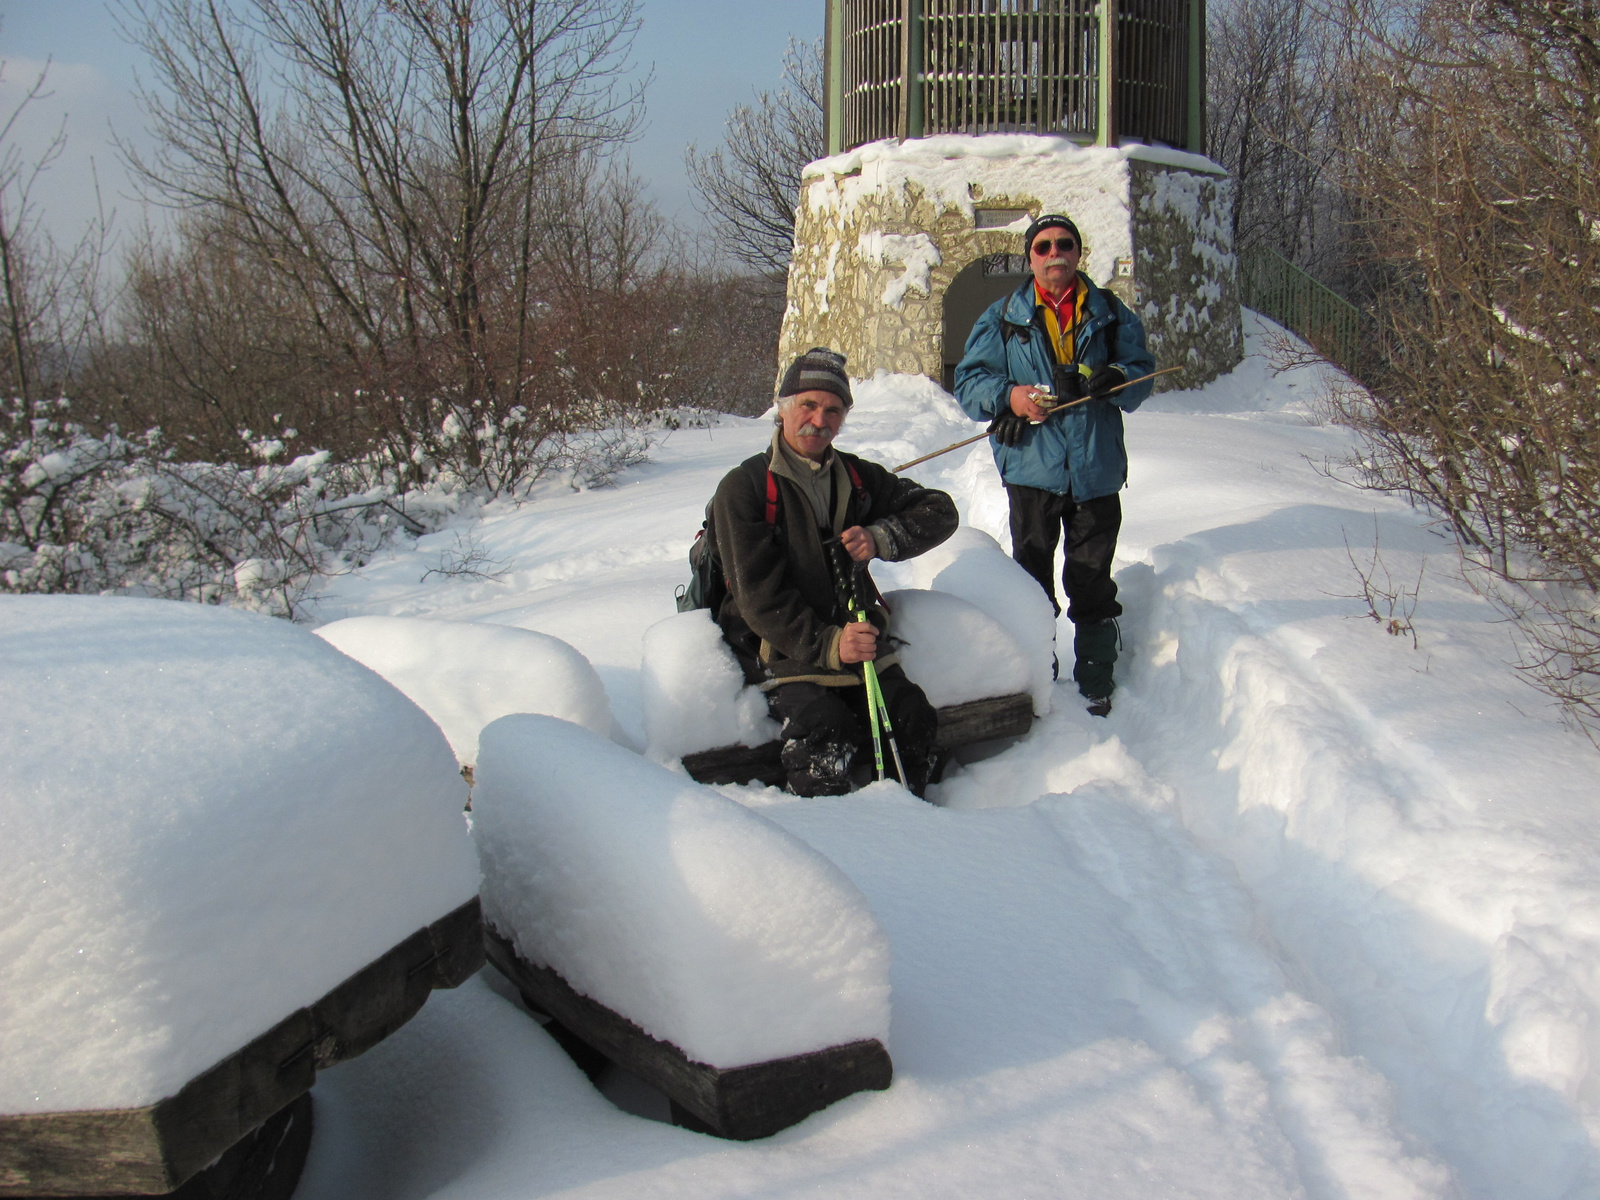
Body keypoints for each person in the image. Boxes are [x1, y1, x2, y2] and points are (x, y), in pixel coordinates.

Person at [709, 347, 958, 797]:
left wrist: (881, 538)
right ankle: (834, 846)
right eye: (808, 405)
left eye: (833, 410)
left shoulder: (857, 478)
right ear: (783, 408)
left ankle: (917, 832)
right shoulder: (744, 489)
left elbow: (939, 512)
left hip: (859, 641)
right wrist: (829, 644)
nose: (819, 420)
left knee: (912, 718)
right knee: (826, 730)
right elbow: (758, 596)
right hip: (783, 648)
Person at [953, 214, 1155, 716]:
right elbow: (969, 383)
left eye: (1064, 243)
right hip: (1032, 471)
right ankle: (1036, 681)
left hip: (1096, 470)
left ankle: (1096, 682)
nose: (1054, 253)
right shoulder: (1003, 316)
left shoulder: (1109, 313)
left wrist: (1118, 378)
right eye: (1042, 246)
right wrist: (1010, 396)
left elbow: (1143, 374)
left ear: (1079, 252)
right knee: (1032, 579)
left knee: (1090, 578)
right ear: (1030, 257)